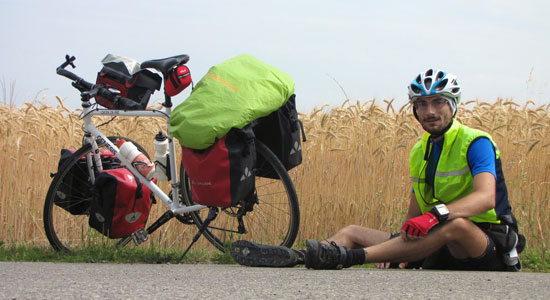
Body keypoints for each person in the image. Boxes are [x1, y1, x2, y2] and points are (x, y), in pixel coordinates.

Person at [231, 68, 525, 271]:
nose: (430, 111)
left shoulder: (476, 142)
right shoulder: (419, 150)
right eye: (421, 104)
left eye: (438, 103)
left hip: (484, 244)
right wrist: (400, 245)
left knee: (456, 225)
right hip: (438, 247)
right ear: (414, 110)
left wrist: (436, 215)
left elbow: (485, 198)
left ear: (453, 105)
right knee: (351, 230)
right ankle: (299, 256)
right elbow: (413, 219)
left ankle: (354, 257)